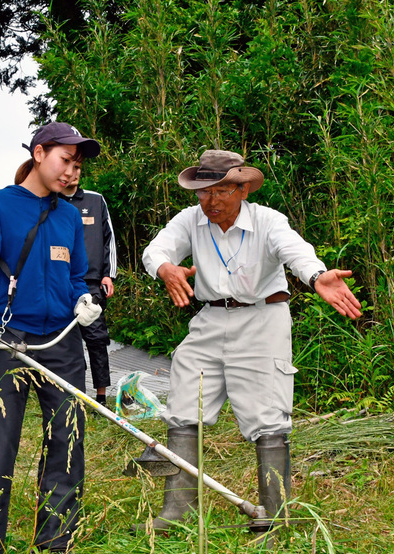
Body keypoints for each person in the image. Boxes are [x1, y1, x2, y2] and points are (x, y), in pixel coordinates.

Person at [136, 150, 362, 533]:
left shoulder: (268, 221)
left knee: (268, 414)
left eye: (220, 191)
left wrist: (317, 276)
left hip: (263, 319)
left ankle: (275, 514)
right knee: (184, 400)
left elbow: (296, 252)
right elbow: (155, 249)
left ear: (242, 189)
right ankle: (178, 510)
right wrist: (165, 267)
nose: (211, 202)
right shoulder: (192, 220)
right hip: (210, 318)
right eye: (203, 193)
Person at [0, 122, 103, 554]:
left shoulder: (71, 216)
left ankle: (55, 539)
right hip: (4, 339)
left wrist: (84, 300)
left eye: (77, 165)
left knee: (67, 440)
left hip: (61, 343)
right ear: (38, 153)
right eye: (65, 161)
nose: (72, 173)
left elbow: (77, 275)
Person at [60, 164, 117, 407]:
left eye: (77, 167)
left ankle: (101, 396)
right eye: (67, 167)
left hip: (91, 282)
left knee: (96, 339)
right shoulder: (50, 200)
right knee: (65, 339)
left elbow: (109, 238)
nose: (72, 172)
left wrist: (109, 274)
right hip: (59, 282)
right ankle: (71, 392)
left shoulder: (95, 200)